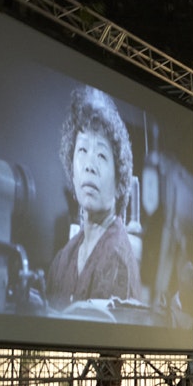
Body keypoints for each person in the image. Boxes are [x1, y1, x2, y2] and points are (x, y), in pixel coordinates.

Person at [47, 85, 143, 310]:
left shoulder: (117, 258)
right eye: (82, 150)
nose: (89, 165)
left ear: (119, 179)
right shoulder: (64, 257)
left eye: (101, 155)